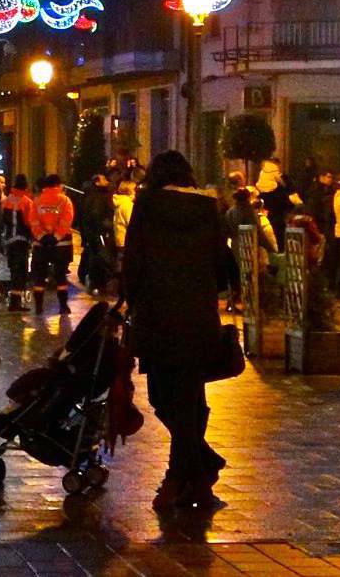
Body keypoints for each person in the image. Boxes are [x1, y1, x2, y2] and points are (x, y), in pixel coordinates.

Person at [121, 150, 233, 514]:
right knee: (190, 400)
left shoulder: (147, 205)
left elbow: (134, 259)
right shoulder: (206, 209)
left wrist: (129, 298)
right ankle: (200, 471)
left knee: (163, 399)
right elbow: (222, 263)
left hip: (156, 317)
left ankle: (179, 477)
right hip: (197, 319)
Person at [30, 174, 75, 314]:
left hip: (41, 245)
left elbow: (33, 221)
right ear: (58, 185)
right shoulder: (65, 201)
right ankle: (63, 306)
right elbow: (66, 220)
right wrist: (56, 237)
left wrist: (42, 237)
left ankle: (38, 307)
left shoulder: (36, 201)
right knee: (61, 276)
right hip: (61, 245)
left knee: (40, 276)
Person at [0, 174, 35, 309]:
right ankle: (16, 302)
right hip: (21, 240)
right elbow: (29, 222)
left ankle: (13, 301)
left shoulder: (7, 200)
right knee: (21, 271)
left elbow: (3, 220)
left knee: (13, 270)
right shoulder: (26, 202)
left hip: (9, 240)